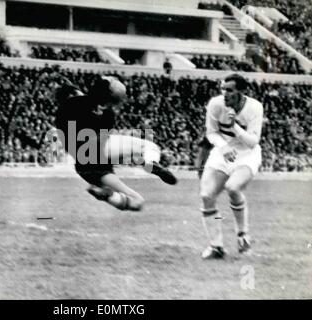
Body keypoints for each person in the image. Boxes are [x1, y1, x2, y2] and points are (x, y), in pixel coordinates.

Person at [54, 75, 177, 211]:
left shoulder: (63, 114)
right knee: (150, 147)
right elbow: (105, 89)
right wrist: (109, 80)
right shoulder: (86, 106)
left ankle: (109, 194)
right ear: (73, 94)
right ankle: (150, 162)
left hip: (85, 166)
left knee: (137, 202)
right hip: (97, 151)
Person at [199, 74, 263, 259]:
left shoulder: (254, 107)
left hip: (247, 154)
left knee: (233, 187)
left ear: (242, 92)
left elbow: (252, 142)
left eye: (229, 90)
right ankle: (216, 245)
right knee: (206, 195)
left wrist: (235, 126)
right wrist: (223, 147)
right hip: (223, 150)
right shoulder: (215, 104)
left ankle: (243, 237)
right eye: (223, 89)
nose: (224, 94)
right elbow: (211, 133)